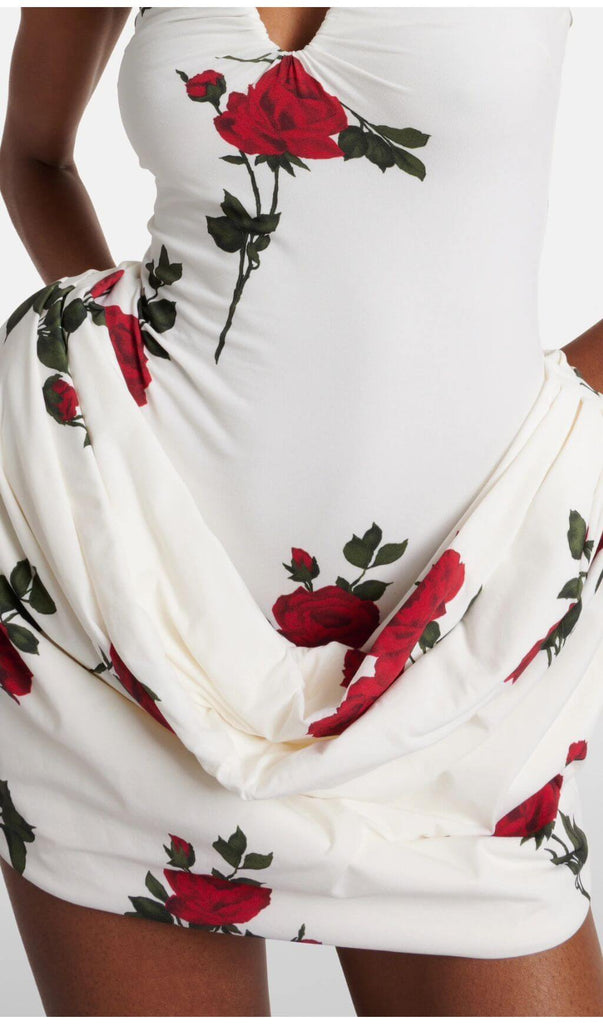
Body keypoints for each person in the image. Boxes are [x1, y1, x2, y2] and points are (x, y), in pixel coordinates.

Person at [1, 6, 603, 1016]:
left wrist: (572, 414)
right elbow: (33, 155)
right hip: (114, 615)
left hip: (457, 653)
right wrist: (98, 371)